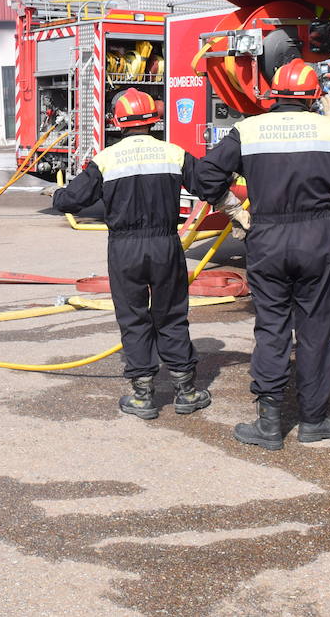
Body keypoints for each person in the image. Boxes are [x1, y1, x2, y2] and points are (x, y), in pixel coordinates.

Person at [196, 59, 330, 449]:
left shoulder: (248, 130)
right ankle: (313, 421)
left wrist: (237, 212)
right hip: (315, 238)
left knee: (272, 327)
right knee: (315, 329)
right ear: (312, 98)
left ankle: (269, 424)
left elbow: (206, 177)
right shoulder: (329, 129)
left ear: (273, 97)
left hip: (267, 236)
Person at [51, 88, 215, 420]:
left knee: (133, 317)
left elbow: (71, 201)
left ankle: (143, 396)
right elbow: (208, 184)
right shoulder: (173, 153)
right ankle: (186, 391)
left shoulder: (106, 159)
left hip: (125, 248)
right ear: (154, 120)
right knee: (171, 315)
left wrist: (58, 194)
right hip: (165, 244)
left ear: (117, 121)